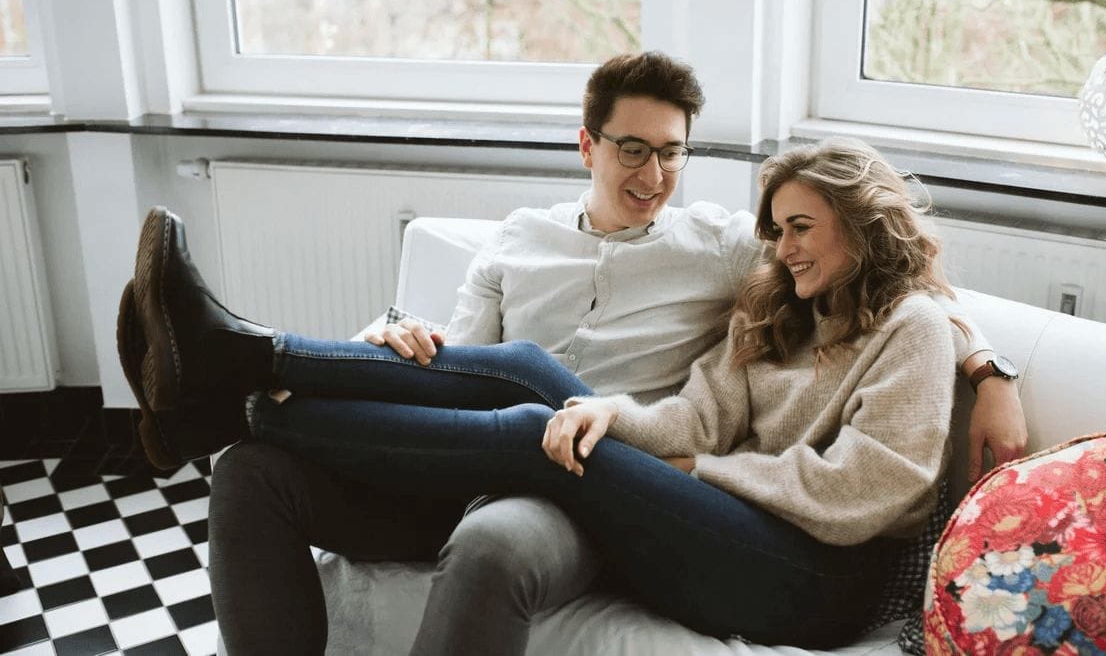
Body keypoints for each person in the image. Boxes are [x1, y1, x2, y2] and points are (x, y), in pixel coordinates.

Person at [119, 52, 1026, 653]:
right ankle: (232, 399)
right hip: (531, 452)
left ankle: (239, 364)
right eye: (633, 148)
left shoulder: (744, 257)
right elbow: (479, 365)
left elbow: (910, 311)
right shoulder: (765, 303)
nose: (655, 174)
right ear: (587, 143)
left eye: (672, 153)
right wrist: (401, 340)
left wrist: (986, 367)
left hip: (709, 532)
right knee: (251, 467)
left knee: (529, 409)